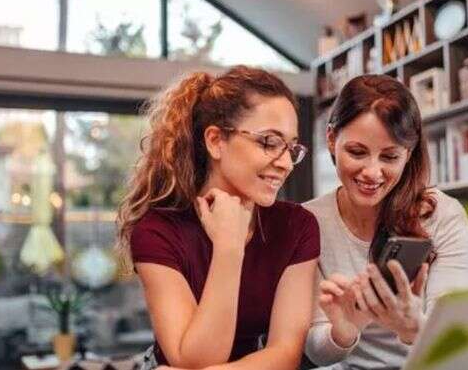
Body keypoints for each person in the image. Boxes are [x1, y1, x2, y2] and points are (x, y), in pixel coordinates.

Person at [116, 66, 320, 370]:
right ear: (215, 141)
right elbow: (195, 359)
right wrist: (229, 248)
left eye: (291, 148)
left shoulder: (297, 226)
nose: (287, 163)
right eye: (269, 142)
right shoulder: (157, 231)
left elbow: (286, 354)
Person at [303, 74, 468, 370]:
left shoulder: (442, 214)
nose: (372, 172)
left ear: (408, 154)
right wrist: (343, 330)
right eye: (357, 152)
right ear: (331, 139)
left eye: (389, 156)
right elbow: (316, 352)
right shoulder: (309, 221)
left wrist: (412, 326)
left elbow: (455, 339)